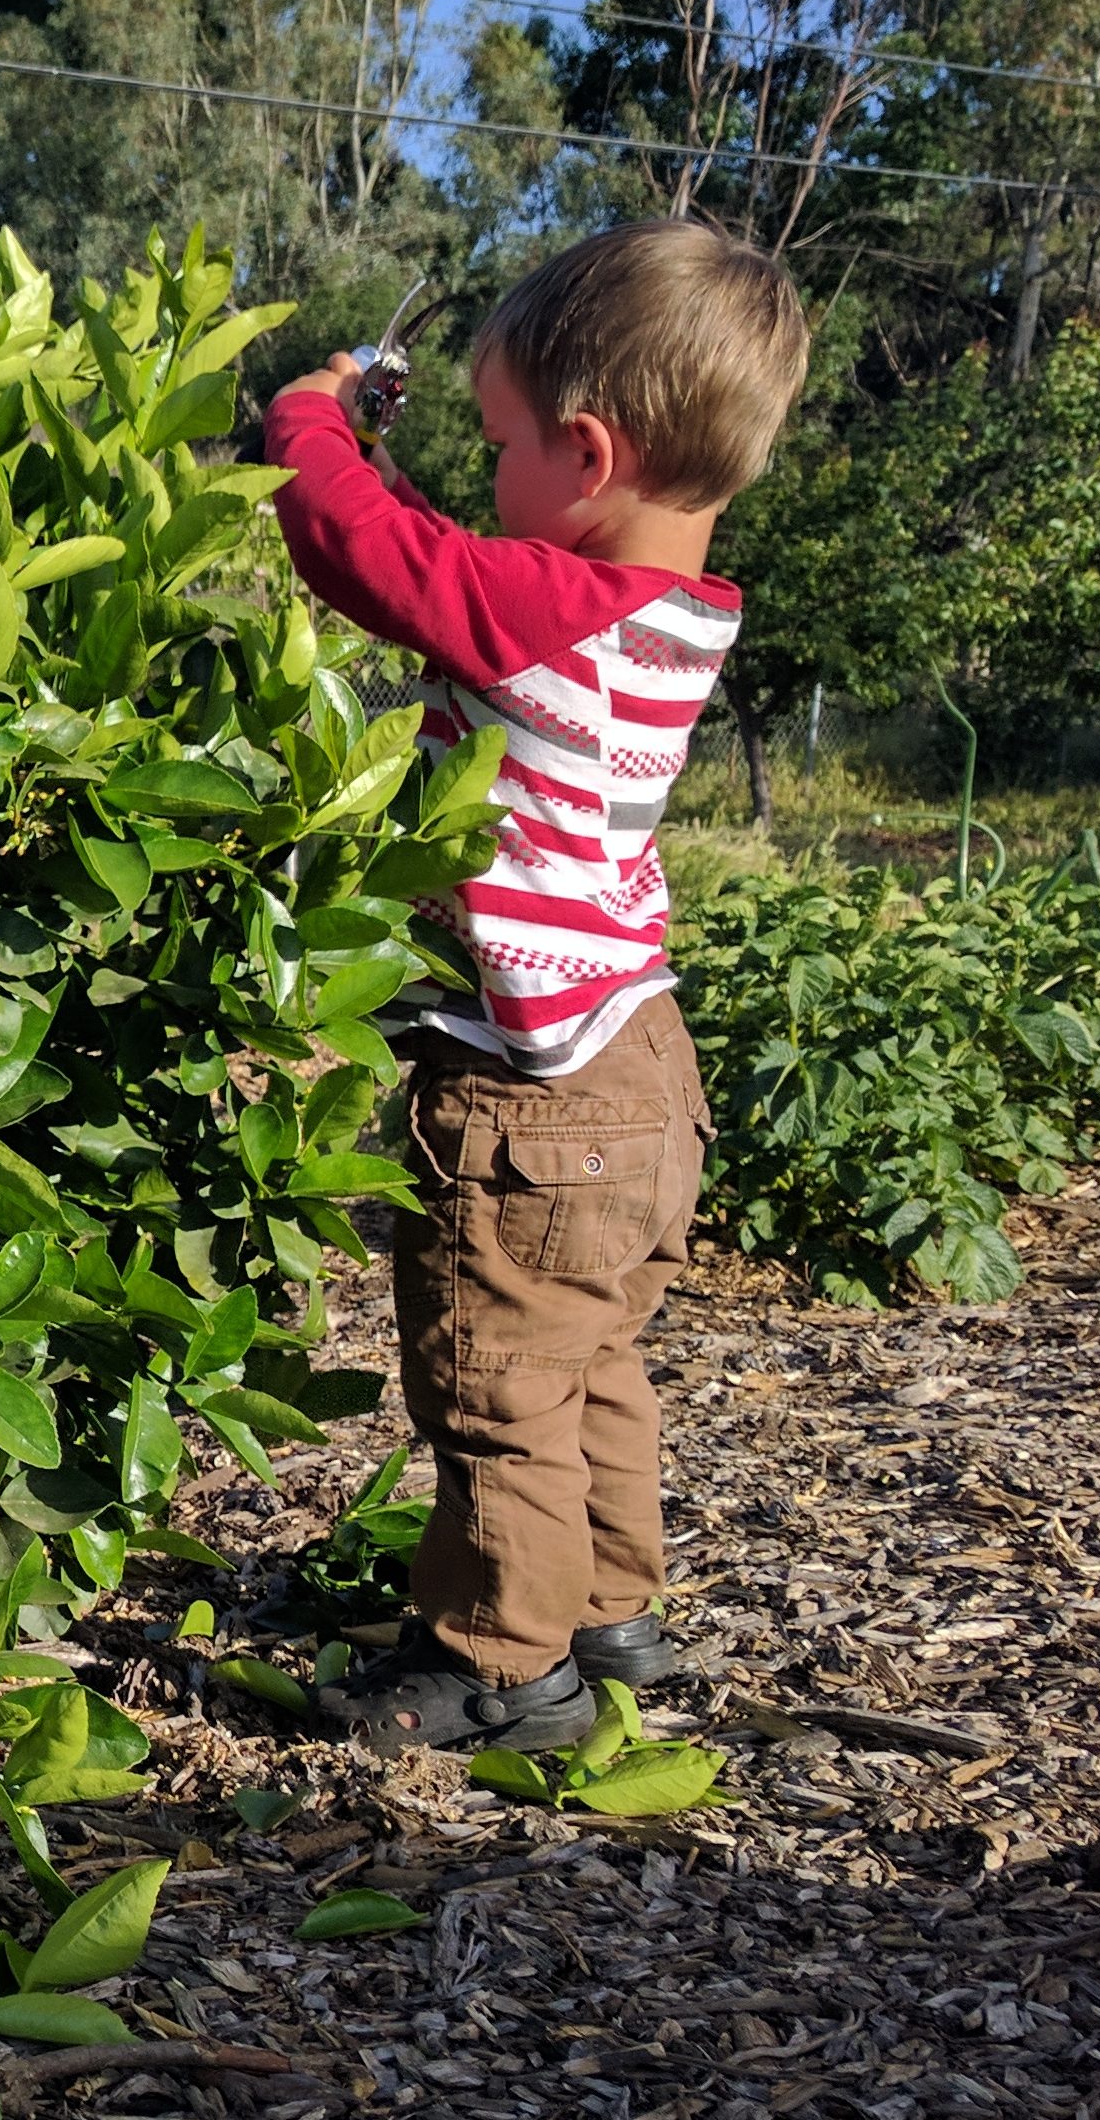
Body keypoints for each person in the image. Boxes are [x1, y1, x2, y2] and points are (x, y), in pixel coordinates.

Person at [261, 219, 813, 1751]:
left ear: (586, 454)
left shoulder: (550, 617)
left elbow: (358, 546)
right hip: (640, 1065)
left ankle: (503, 1664)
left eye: (499, 443)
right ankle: (609, 1610)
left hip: (537, 1100)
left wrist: (308, 413)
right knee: (589, 1362)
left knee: (495, 1377)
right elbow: (454, 571)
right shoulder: (654, 612)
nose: (483, 471)